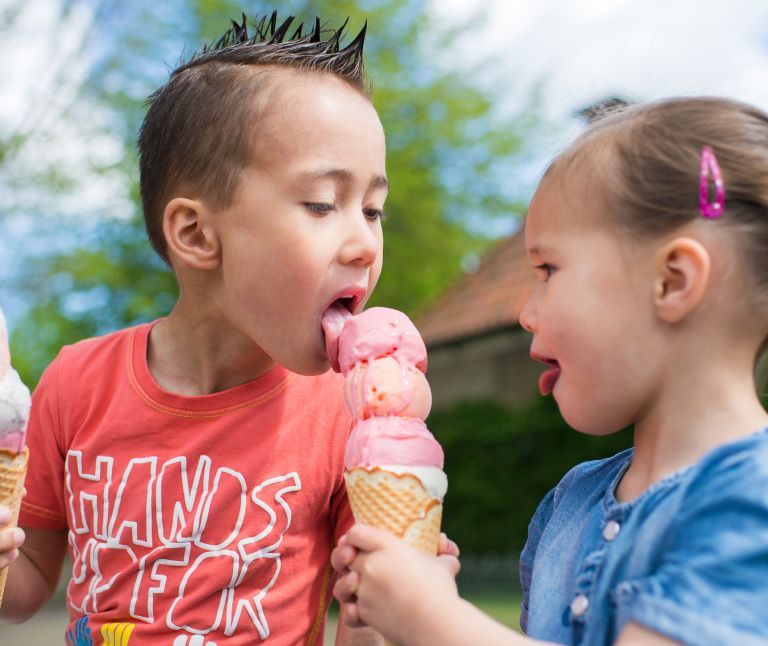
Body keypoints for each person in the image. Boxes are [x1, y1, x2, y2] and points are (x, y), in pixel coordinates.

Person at [0, 11, 391, 644]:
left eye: (373, 210)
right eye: (323, 202)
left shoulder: (352, 416)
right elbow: (29, 583)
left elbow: (361, 619)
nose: (364, 243)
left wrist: (397, 601)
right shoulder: (76, 382)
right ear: (195, 232)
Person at [332, 96, 768, 645]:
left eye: (548, 270)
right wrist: (382, 619)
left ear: (673, 281)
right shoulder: (571, 502)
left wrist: (431, 616)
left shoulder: (752, 498)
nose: (525, 312)